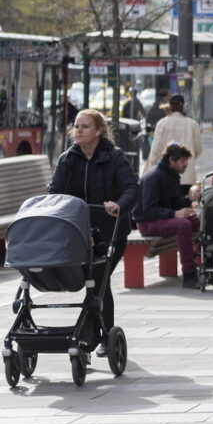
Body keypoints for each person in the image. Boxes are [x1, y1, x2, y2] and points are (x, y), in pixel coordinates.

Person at [47, 109, 139, 355]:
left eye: (84, 126)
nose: (77, 130)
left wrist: (119, 205)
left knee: (98, 280)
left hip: (110, 232)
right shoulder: (67, 159)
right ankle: (96, 334)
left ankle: (97, 336)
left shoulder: (114, 156)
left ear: (98, 130)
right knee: (92, 283)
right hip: (79, 233)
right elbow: (54, 192)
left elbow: (131, 188)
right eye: (76, 126)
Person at [133, 142, 203, 289]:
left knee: (196, 220)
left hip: (162, 219)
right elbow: (148, 210)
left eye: (186, 161)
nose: (186, 164)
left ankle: (202, 262)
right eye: (183, 161)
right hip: (147, 223)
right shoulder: (154, 177)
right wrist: (175, 214)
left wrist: (188, 199)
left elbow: (173, 203)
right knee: (183, 224)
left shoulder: (172, 175)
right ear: (171, 161)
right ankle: (189, 275)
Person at [144, 93, 203, 194]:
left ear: (170, 106)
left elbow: (155, 151)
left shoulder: (162, 124)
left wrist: (152, 166)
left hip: (165, 176)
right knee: (184, 206)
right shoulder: (193, 124)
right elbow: (199, 149)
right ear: (183, 106)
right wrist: (186, 160)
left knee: (167, 206)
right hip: (187, 177)